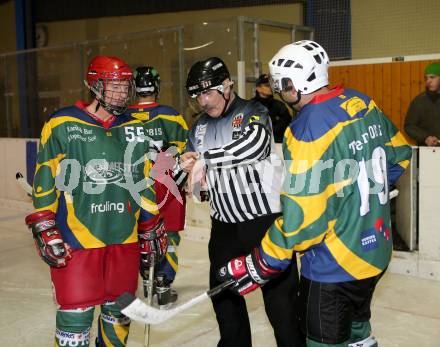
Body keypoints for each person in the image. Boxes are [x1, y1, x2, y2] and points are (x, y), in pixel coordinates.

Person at [217, 41, 412, 347]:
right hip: (375, 251)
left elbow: (303, 223)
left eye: (281, 85)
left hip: (334, 266)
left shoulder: (306, 129)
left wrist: (263, 258)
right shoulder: (362, 102)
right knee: (357, 330)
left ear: (291, 85)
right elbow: (400, 154)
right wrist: (354, 196)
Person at [25, 56, 165, 347]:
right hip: (77, 242)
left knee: (118, 315)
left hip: (123, 240)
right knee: (76, 317)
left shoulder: (135, 128)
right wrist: (44, 225)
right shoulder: (63, 123)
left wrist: (150, 224)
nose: (120, 93)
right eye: (113, 86)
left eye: (125, 87)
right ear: (95, 86)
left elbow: (144, 181)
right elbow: (45, 179)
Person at [182, 57, 304, 347]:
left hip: (263, 224)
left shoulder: (253, 110)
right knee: (226, 307)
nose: (203, 101)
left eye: (208, 92)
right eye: (197, 95)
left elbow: (257, 146)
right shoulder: (198, 127)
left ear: (227, 86)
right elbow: (187, 165)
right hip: (224, 228)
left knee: (283, 310)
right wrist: (176, 166)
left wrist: (205, 159)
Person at [126, 65, 188, 307]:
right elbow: (186, 154)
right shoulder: (171, 115)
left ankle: (147, 280)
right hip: (166, 185)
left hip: (135, 187)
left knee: (139, 233)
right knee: (168, 235)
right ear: (156, 86)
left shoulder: (123, 116)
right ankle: (163, 283)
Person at [404, 61, 440, 146]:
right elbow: (409, 126)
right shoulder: (419, 101)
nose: (428, 81)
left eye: (432, 77)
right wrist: (425, 138)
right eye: (426, 78)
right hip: (426, 151)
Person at [253, 73, 292, 143]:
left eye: (271, 85)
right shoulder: (251, 106)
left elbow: (287, 122)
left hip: (278, 144)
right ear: (258, 88)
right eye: (267, 85)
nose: (270, 87)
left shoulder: (279, 105)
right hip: (256, 144)